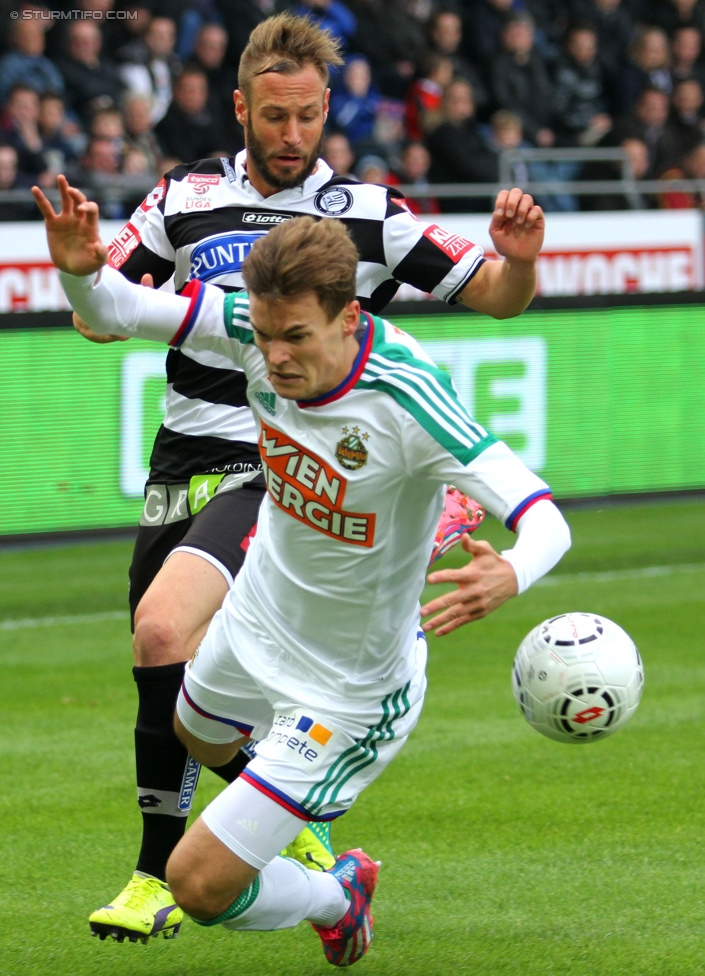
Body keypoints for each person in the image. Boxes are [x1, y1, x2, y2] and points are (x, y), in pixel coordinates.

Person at [71, 12, 550, 945]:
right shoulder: (182, 196)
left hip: (281, 468)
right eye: (275, 117)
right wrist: (90, 281)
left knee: (161, 627)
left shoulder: (367, 214)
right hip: (185, 457)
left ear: (329, 107)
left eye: (308, 118)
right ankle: (289, 816)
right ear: (241, 106)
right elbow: (104, 305)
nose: (293, 137)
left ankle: (155, 872)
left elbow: (492, 292)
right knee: (165, 676)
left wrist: (520, 261)